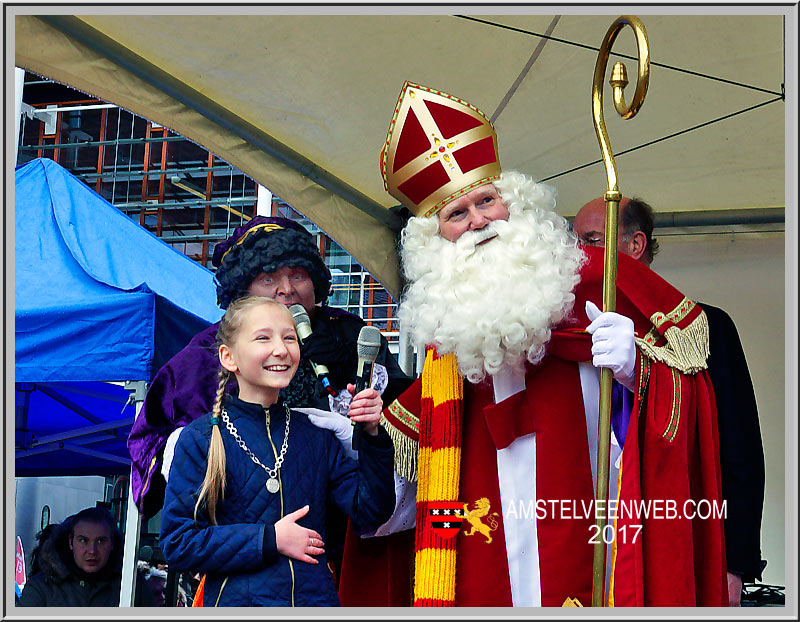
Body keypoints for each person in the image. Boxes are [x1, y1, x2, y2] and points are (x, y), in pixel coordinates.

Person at [337, 81, 728, 607]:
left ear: (514, 202)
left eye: (485, 201)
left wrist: (639, 367)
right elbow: (408, 473)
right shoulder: (449, 323)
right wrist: (361, 436)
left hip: (596, 536)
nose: (478, 221)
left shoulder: (593, 280)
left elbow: (690, 392)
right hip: (486, 556)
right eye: (457, 214)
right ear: (435, 242)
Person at [127, 216, 411, 518]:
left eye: (298, 275)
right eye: (268, 279)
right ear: (242, 290)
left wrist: (350, 375)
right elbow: (157, 439)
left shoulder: (351, 335)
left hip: (344, 526)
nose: (286, 289)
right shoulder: (207, 351)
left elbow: (403, 427)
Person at [574, 196, 767, 606]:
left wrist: (735, 566)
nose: (580, 256)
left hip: (683, 542)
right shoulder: (569, 333)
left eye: (592, 241)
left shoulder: (702, 328)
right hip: (583, 539)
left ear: (635, 244)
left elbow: (741, 454)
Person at [158, 296, 396, 606]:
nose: (281, 349)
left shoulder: (316, 435)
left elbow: (372, 512)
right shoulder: (200, 439)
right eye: (263, 338)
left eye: (289, 338)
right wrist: (269, 539)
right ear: (229, 358)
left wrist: (372, 433)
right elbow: (178, 543)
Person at [17, 506, 157, 607]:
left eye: (101, 541)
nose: (92, 550)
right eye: (83, 540)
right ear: (71, 542)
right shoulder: (41, 587)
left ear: (112, 543)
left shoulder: (131, 584)